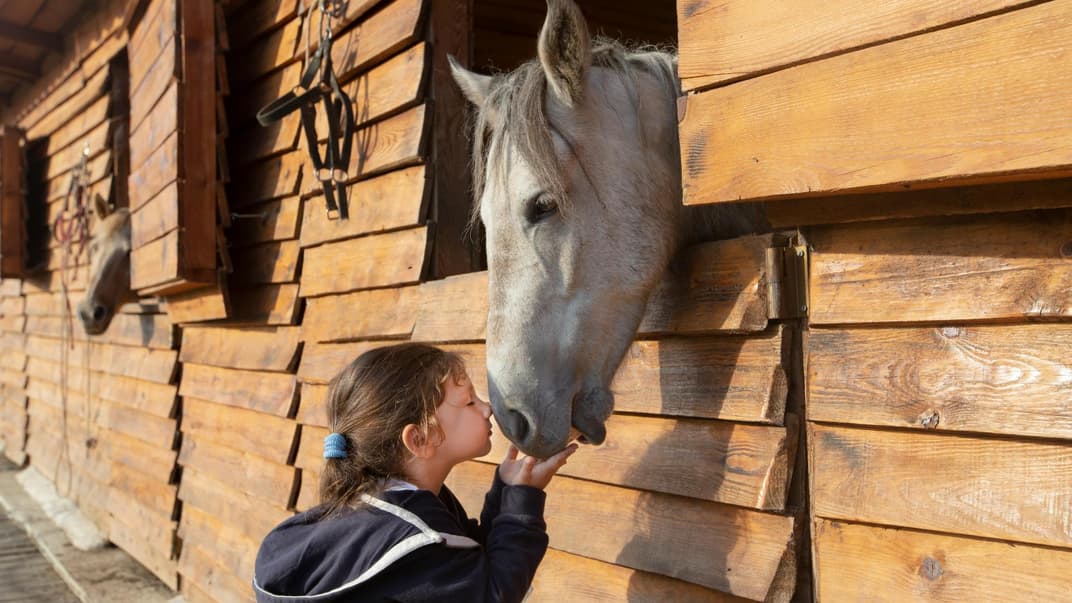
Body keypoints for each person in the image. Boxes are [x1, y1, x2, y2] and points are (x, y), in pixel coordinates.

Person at [253, 343, 578, 602]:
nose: (487, 408)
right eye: (469, 402)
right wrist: (523, 504)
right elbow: (491, 593)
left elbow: (471, 564)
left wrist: (507, 491)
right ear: (420, 439)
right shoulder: (413, 541)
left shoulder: (400, 504)